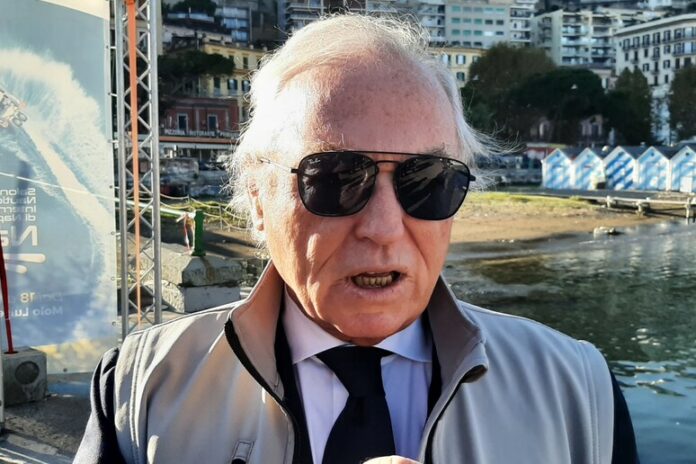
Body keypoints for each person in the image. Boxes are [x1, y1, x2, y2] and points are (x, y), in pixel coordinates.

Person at [75, 14, 638, 464]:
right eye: (336, 179)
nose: (384, 227)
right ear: (258, 197)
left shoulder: (579, 393)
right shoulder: (138, 390)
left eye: (427, 181)